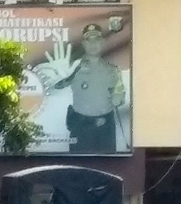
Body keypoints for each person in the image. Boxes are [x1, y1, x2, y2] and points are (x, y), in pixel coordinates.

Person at [40, 25, 126, 154]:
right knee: (78, 168)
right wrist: (55, 78)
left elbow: (119, 98)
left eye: (96, 39)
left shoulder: (112, 70)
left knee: (106, 167)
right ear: (83, 44)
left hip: (105, 129)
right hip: (81, 127)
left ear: (102, 42)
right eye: (89, 40)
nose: (93, 44)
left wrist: (118, 97)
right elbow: (56, 87)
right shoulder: (74, 67)